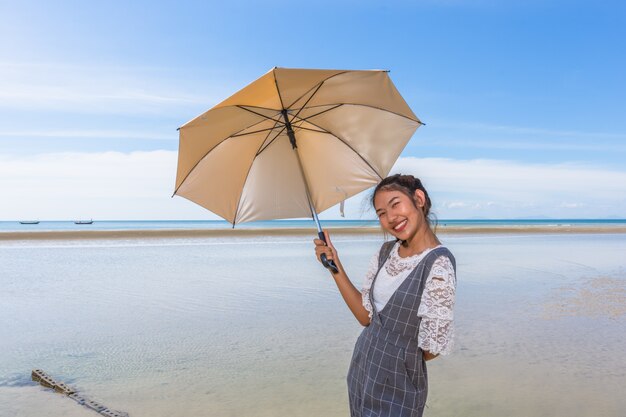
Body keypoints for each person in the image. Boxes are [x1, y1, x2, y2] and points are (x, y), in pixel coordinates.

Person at [314, 174, 457, 417]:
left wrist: (398, 356)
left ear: (418, 199)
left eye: (395, 204)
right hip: (363, 368)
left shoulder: (438, 264)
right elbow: (365, 317)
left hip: (397, 384)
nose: (390, 218)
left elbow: (431, 349)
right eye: (381, 213)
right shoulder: (386, 252)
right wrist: (333, 264)